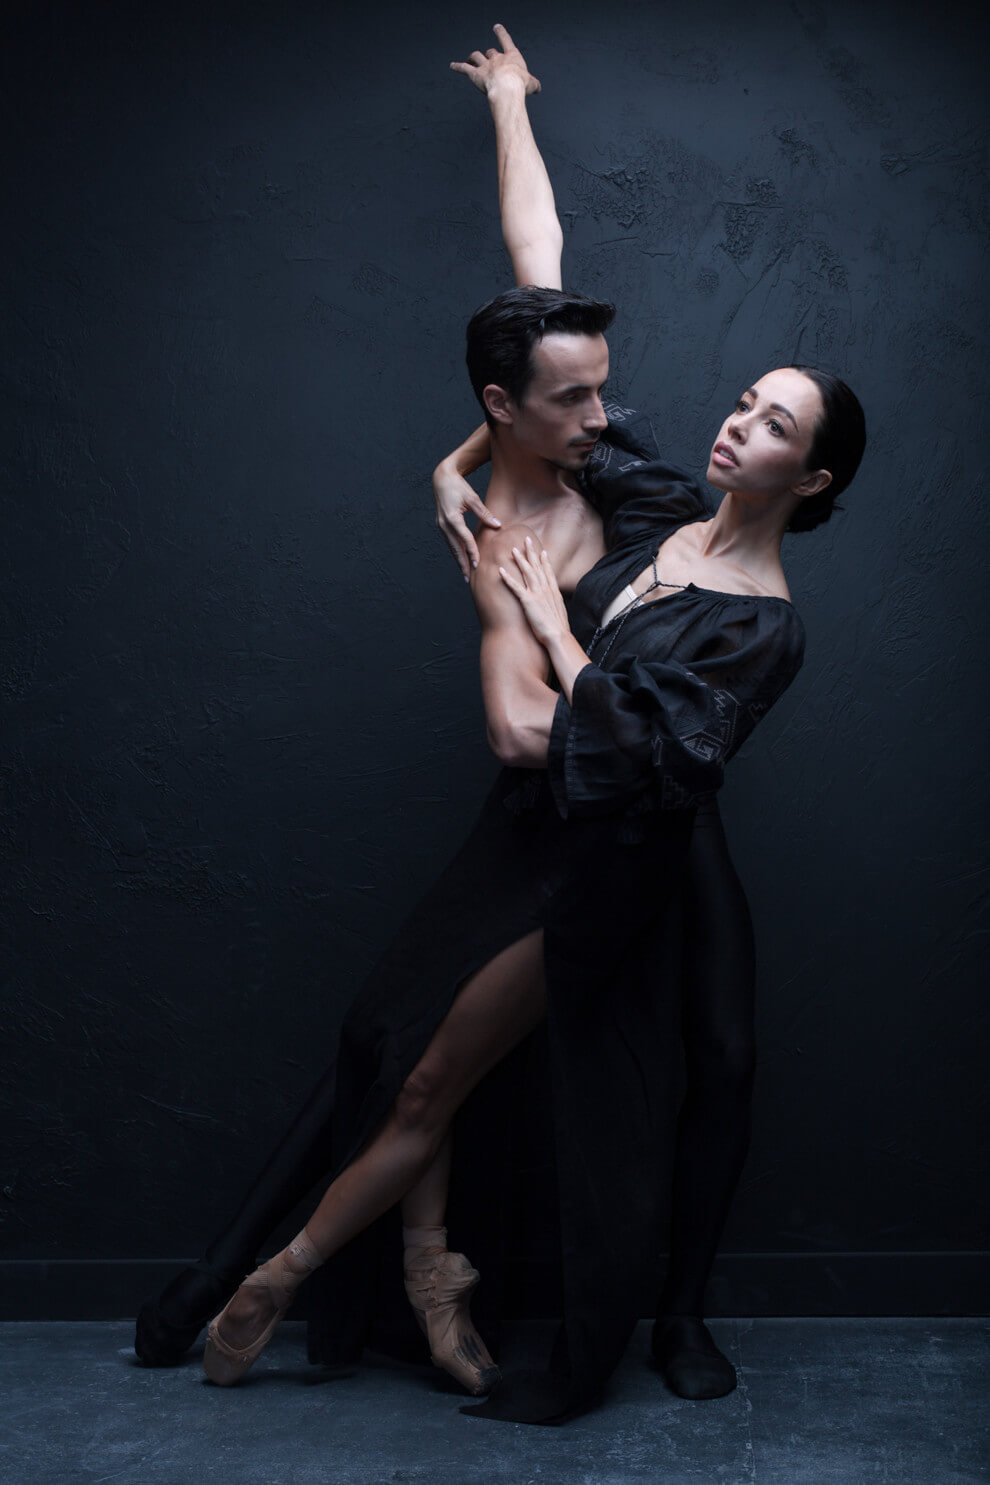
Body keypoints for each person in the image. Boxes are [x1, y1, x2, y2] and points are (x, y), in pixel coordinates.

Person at [133, 28, 866, 1425]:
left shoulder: (702, 556)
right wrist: (511, 112)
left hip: (659, 815)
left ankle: (675, 1314)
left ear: (810, 473)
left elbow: (546, 335)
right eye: (741, 404)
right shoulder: (613, 505)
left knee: (717, 1055)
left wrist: (540, 609)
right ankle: (329, 1278)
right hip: (575, 817)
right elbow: (538, 289)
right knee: (414, 1053)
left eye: (771, 422)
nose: (719, 423)